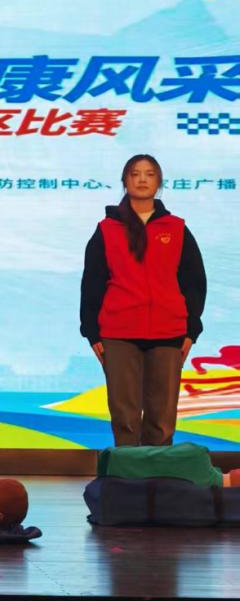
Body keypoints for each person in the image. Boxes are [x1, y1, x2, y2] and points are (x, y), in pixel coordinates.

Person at [80, 154, 206, 447]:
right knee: (125, 417)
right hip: (118, 333)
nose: (142, 179)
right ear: (125, 181)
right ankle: (128, 474)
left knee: (162, 420)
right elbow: (92, 283)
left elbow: (194, 283)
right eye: (135, 174)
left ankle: (159, 475)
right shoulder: (107, 229)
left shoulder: (176, 228)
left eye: (149, 174)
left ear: (158, 182)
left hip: (169, 331)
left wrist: (191, 330)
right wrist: (92, 332)